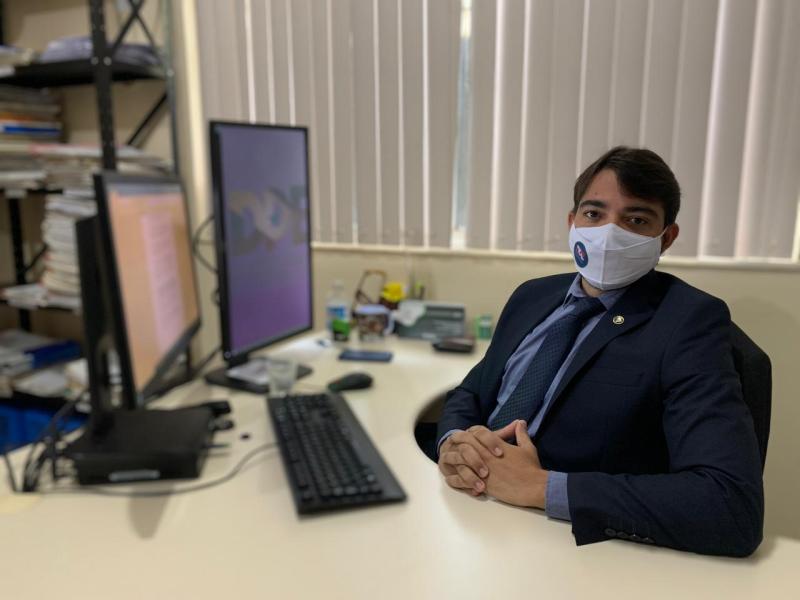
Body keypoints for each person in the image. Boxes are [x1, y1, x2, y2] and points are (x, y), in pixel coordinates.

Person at [436, 146, 764, 557]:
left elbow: (731, 506)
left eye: (636, 220)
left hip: (561, 547)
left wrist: (541, 487)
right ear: (572, 222)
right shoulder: (532, 295)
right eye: (594, 214)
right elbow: (473, 390)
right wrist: (454, 442)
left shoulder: (689, 322)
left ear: (666, 238)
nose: (609, 232)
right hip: (470, 517)